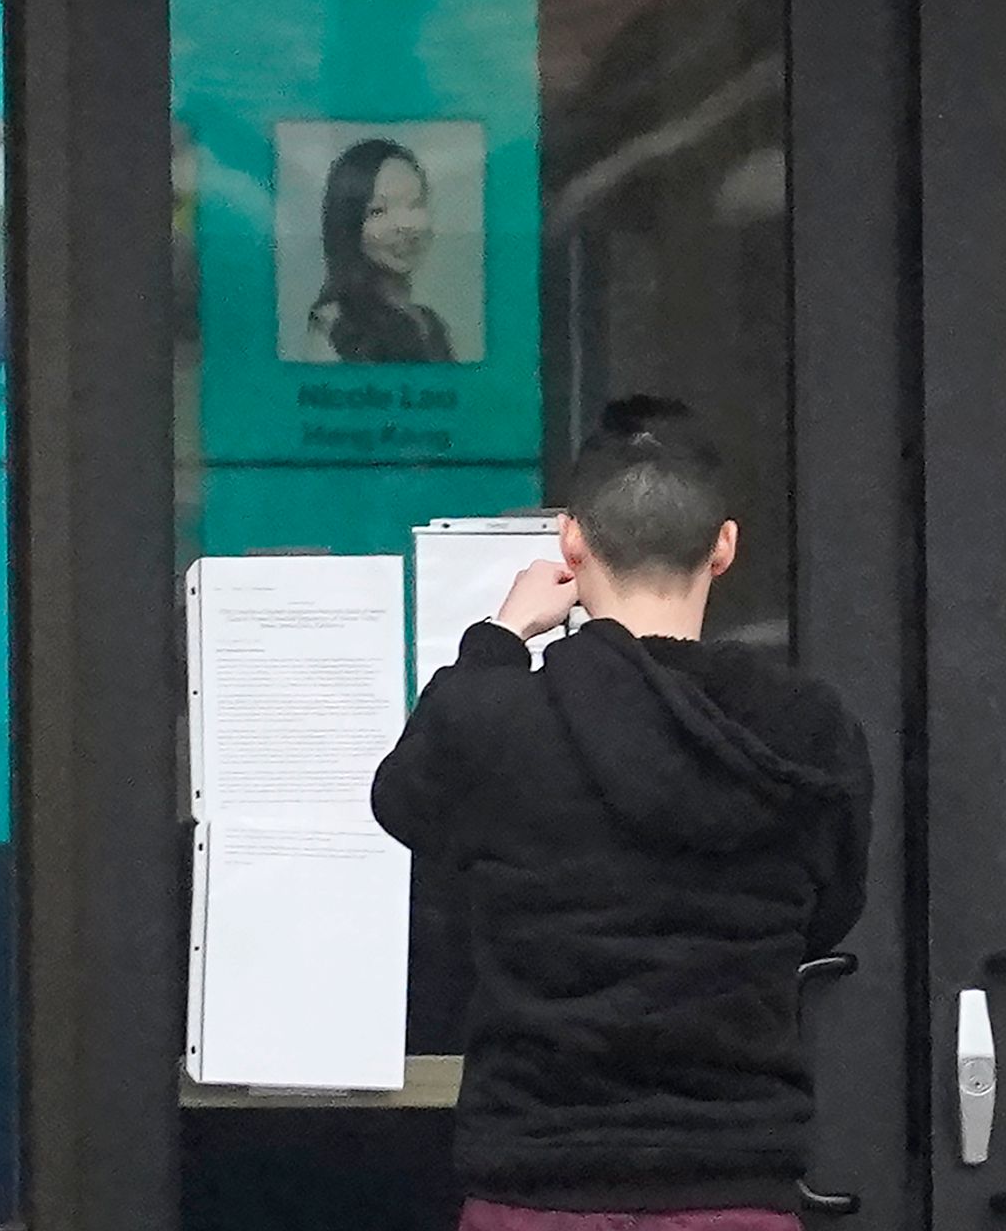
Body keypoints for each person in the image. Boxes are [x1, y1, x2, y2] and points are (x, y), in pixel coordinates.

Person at [371, 396, 872, 1231]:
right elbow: (830, 914)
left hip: (537, 1177)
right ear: (724, 547)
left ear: (570, 540)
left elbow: (402, 801)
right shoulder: (806, 727)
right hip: (732, 1180)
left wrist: (498, 636)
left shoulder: (493, 718)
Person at [308, 136, 457, 362]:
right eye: (377, 211)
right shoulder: (331, 326)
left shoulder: (430, 324)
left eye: (415, 204)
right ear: (348, 225)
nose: (405, 225)